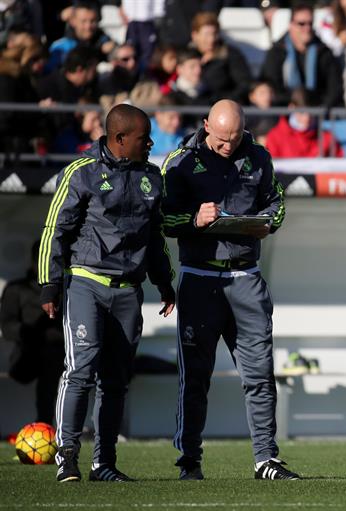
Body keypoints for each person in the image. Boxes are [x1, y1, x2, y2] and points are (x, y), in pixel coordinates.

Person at [37, 104, 176, 483]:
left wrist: (164, 282)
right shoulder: (81, 173)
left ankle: (105, 463)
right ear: (119, 139)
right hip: (86, 284)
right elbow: (55, 230)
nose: (150, 143)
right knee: (80, 370)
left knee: (116, 380)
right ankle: (67, 456)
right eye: (143, 138)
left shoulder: (152, 177)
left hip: (129, 292)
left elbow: (155, 236)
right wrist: (49, 283)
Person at [161, 99, 298, 481]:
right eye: (221, 139)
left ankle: (266, 460)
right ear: (206, 125)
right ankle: (189, 460)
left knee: (259, 374)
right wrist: (194, 219)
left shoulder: (258, 157)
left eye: (234, 138)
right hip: (199, 279)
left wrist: (267, 223)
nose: (227, 146)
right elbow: (164, 219)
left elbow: (278, 203)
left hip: (246, 278)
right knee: (196, 377)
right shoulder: (180, 162)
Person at [1, 241, 65, 426]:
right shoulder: (17, 289)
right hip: (25, 359)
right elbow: (7, 327)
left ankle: (51, 426)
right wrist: (32, 334)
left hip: (61, 355)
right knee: (49, 356)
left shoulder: (65, 290)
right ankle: (44, 424)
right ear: (33, 261)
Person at [259, 2, 344, 108]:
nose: (307, 28)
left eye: (310, 23)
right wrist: (293, 102)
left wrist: (319, 108)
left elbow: (335, 88)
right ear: (291, 25)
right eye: (301, 23)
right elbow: (271, 86)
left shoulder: (324, 52)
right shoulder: (277, 52)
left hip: (318, 112)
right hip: (284, 111)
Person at [189, 12, 252, 103]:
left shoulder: (230, 55)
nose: (211, 39)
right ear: (195, 35)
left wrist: (224, 102)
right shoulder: (187, 55)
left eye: (214, 34)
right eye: (206, 34)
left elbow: (244, 84)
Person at [264, 88, 343, 158]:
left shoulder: (328, 137)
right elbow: (269, 170)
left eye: (311, 113)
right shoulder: (275, 137)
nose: (307, 118)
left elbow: (339, 168)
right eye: (302, 112)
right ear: (291, 108)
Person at [46, 1, 114, 73]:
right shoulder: (61, 48)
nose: (88, 26)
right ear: (73, 21)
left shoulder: (105, 41)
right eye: (83, 21)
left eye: (93, 21)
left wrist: (113, 52)